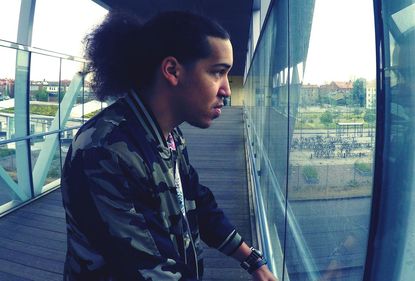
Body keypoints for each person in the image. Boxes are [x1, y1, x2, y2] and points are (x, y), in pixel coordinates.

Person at [61, 11, 277, 281]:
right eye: (217, 72)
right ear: (173, 71)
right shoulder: (104, 150)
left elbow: (197, 201)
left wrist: (252, 261)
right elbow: (148, 267)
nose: (227, 90)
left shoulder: (168, 134)